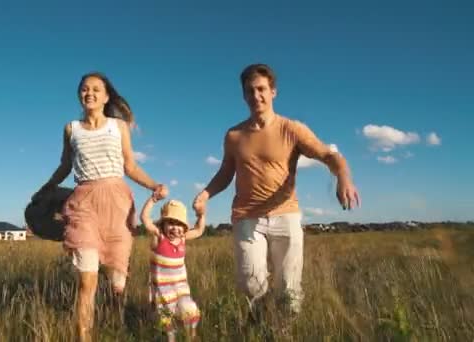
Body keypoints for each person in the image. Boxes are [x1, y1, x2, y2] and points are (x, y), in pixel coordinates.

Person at [192, 63, 360, 314]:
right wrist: (205, 194)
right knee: (251, 283)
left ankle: (285, 331)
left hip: (285, 215)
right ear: (243, 95)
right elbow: (226, 172)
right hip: (247, 217)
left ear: (273, 92)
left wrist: (343, 176)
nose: (255, 96)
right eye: (250, 91)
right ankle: (259, 327)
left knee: (289, 288)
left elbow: (328, 154)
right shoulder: (234, 136)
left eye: (261, 89)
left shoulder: (291, 129)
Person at [34, 72, 168, 341]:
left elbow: (129, 165)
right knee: (87, 280)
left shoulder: (118, 127)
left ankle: (115, 321)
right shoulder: (71, 129)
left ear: (106, 97)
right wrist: (47, 187)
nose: (89, 93)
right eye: (84, 89)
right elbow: (65, 165)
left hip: (117, 203)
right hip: (84, 203)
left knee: (118, 281)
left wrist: (154, 185)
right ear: (79, 95)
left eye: (96, 89)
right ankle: (84, 337)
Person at [140, 197, 206, 341]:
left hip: (181, 288)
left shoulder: (183, 238)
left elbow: (200, 230)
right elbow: (145, 219)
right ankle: (171, 337)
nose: (175, 228)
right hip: (163, 291)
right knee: (167, 321)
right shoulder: (160, 237)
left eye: (179, 224)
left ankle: (191, 335)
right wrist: (153, 199)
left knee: (190, 310)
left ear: (184, 227)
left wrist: (201, 215)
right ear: (163, 225)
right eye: (170, 223)